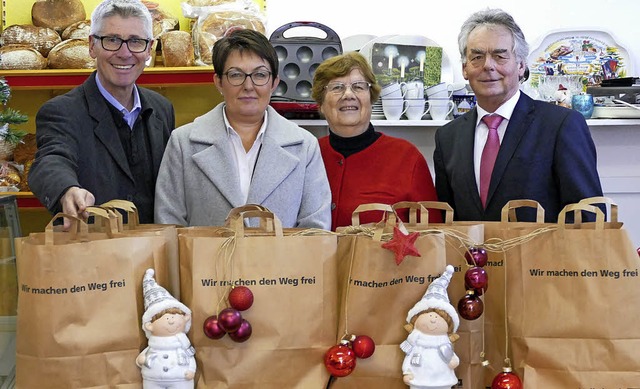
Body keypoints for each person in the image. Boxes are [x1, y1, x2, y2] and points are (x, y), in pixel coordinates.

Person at [433, 8, 603, 222]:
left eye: (500, 56)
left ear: (521, 65)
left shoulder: (561, 125)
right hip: (468, 256)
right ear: (465, 68)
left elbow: (588, 216)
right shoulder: (448, 138)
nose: (488, 66)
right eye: (477, 57)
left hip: (544, 255)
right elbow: (446, 221)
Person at [154, 29, 331, 229]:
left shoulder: (305, 146)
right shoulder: (183, 142)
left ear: (274, 83)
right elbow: (168, 224)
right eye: (236, 75)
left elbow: (315, 228)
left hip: (282, 261)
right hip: (205, 261)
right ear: (218, 82)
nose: (248, 85)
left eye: (260, 75)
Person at [29, 0, 175, 229]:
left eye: (136, 41)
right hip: (93, 255)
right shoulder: (62, 112)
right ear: (91, 46)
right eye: (112, 40)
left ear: (149, 49)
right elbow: (51, 159)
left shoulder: (162, 109)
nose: (124, 53)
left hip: (153, 254)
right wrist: (66, 190)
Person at [311, 52, 441, 231]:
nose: (348, 94)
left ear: (371, 99)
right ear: (321, 105)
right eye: (337, 87)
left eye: (358, 86)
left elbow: (432, 235)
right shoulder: (308, 155)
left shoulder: (407, 157)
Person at [400, 265, 460, 389]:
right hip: (418, 379)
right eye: (429, 315)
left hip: (443, 380)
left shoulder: (444, 344)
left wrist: (454, 361)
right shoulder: (415, 341)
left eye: (438, 317)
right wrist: (407, 372)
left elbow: (450, 355)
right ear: (415, 320)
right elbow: (409, 356)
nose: (433, 319)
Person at [137, 269, 196, 388]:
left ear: (185, 318)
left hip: (180, 378)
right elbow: (141, 358)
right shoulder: (153, 346)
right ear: (150, 325)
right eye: (166, 318)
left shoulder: (183, 343)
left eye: (174, 316)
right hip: (152, 379)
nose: (171, 320)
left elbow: (190, 356)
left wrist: (191, 370)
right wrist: (140, 360)